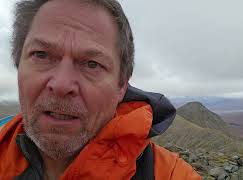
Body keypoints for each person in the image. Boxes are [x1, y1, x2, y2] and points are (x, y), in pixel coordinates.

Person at [0, 0, 201, 179]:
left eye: (92, 64)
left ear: (121, 85)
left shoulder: (170, 174)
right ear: (19, 66)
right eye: (41, 55)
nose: (61, 85)